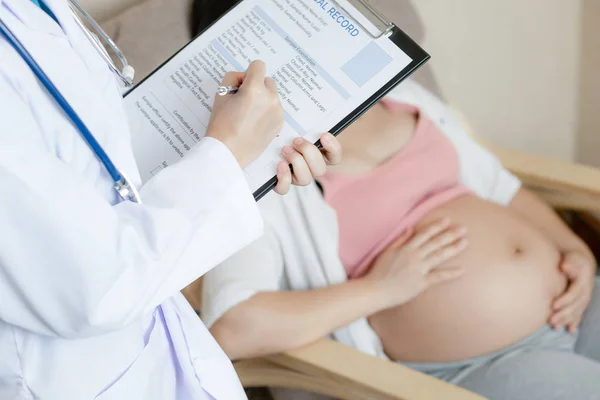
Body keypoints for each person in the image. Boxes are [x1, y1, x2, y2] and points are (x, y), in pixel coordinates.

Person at [0, 0, 341, 399]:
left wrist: (247, 148)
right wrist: (226, 152)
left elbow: (99, 172)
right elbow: (95, 284)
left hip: (159, 349)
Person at [202, 78, 600, 400]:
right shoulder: (262, 173)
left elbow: (502, 188)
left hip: (578, 301)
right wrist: (381, 288)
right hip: (482, 363)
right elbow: (233, 326)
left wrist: (575, 250)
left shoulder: (402, 95)